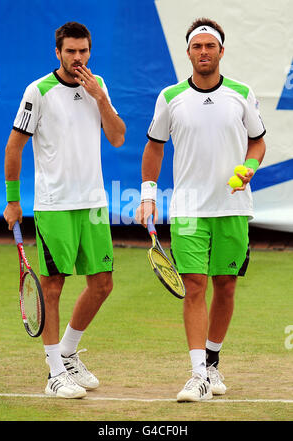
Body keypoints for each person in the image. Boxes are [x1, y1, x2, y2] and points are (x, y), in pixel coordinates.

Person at [136, 17, 266, 402]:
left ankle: (211, 361)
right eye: (197, 47)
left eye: (211, 46)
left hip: (233, 207)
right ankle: (197, 375)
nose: (204, 52)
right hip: (188, 209)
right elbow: (154, 147)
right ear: (188, 53)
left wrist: (250, 168)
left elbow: (257, 143)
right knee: (194, 286)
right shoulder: (170, 97)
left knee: (225, 287)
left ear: (221, 52)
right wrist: (147, 195)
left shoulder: (242, 93)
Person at [3, 22, 126, 399]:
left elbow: (118, 137)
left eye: (83, 51)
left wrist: (99, 97)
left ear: (90, 52)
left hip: (94, 205)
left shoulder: (97, 85)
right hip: (54, 206)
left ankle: (69, 352)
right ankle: (55, 373)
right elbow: (13, 147)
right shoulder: (37, 91)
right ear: (58, 53)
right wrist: (12, 200)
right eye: (70, 51)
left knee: (102, 284)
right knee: (53, 287)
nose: (78, 58)